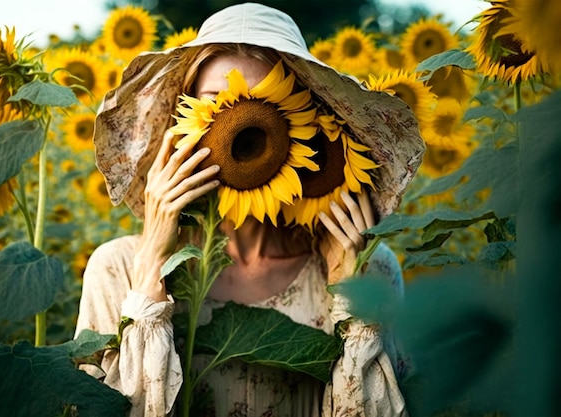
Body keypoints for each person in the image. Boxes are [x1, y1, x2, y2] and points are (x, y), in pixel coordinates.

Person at [75, 3, 425, 416]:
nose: (237, 125)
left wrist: (353, 296)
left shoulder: (373, 268)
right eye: (214, 105)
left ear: (303, 126)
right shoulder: (117, 269)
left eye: (261, 107)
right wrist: (152, 262)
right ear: (180, 123)